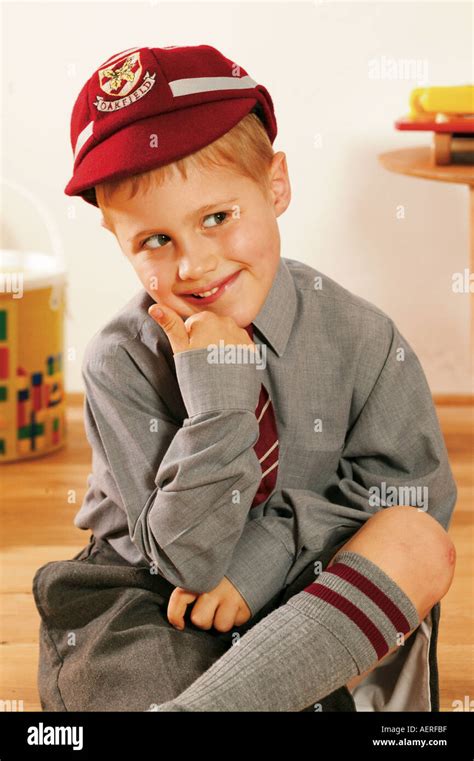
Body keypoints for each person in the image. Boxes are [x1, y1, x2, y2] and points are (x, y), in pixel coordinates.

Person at [32, 44, 457, 712]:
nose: (195, 265)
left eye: (217, 218)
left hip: (317, 576)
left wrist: (269, 550)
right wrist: (221, 395)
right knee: (118, 667)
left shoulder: (363, 336)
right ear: (116, 238)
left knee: (418, 542)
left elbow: (412, 495)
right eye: (154, 241)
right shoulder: (118, 359)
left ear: (276, 186)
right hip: (155, 591)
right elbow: (187, 562)